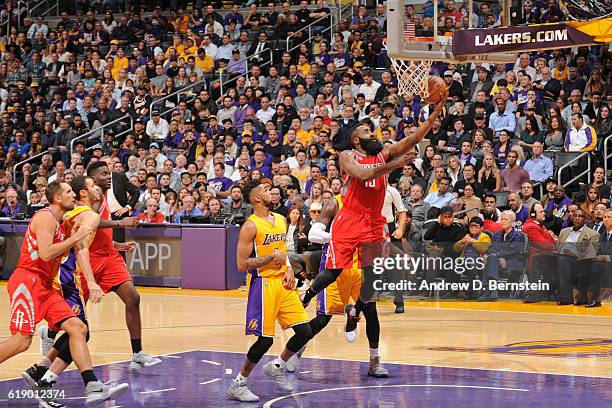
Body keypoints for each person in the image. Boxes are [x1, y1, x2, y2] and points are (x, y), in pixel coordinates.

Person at [299, 91, 447, 368]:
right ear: (357, 139)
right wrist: (395, 164)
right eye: (367, 130)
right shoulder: (347, 156)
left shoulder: (384, 152)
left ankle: (362, 328)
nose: (373, 132)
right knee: (333, 270)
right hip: (350, 219)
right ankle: (305, 296)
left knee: (371, 281)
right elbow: (363, 174)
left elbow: (413, 139)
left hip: (372, 221)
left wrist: (436, 111)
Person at [0, 181, 128, 405]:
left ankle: (93, 386)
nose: (73, 195)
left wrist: (91, 281)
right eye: (68, 192)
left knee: (78, 328)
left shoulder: (64, 223)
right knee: (22, 342)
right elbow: (47, 254)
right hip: (27, 281)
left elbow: (80, 250)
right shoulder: (45, 217)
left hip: (46, 285)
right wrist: (76, 237)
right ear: (57, 198)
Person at [227, 181, 312, 402]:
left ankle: (278, 365)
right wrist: (270, 259)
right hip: (263, 285)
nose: (271, 192)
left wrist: (289, 269)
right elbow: (241, 264)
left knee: (305, 332)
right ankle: (239, 383)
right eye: (265, 190)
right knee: (265, 341)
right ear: (256, 199)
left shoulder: (281, 220)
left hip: (283, 284)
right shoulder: (250, 226)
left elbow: (282, 252)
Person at [86, 162, 162, 368]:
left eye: (109, 173)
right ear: (92, 179)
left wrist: (117, 244)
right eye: (104, 174)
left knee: (133, 298)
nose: (109, 177)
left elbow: (99, 232)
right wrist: (121, 223)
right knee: (75, 315)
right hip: (88, 258)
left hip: (109, 255)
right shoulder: (88, 200)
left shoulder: (104, 197)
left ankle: (137, 351)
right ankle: (50, 334)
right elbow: (90, 226)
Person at [478, 210, 526, 301]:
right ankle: (492, 290)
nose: (503, 221)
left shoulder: (518, 236)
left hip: (511, 262)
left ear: (512, 222)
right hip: (496, 262)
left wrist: (496, 255)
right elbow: (492, 248)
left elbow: (511, 251)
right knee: (491, 258)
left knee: (491, 258)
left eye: (505, 219)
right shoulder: (497, 235)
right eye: (502, 219)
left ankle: (488, 290)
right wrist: (496, 256)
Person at [556, 209, 599, 305]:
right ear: (571, 218)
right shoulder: (564, 231)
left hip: (579, 261)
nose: (577, 218)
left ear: (585, 219)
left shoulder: (592, 234)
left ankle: (566, 298)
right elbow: (558, 247)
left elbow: (593, 253)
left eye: (580, 216)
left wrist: (573, 253)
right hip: (561, 258)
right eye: (575, 216)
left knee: (563, 260)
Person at [588, 208, 612, 307]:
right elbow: (598, 252)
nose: (606, 219)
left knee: (597, 266)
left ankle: (596, 298)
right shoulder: (601, 236)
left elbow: (604, 256)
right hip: (605, 265)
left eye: (609, 217)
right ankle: (588, 297)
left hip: (608, 263)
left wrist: (605, 258)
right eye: (604, 217)